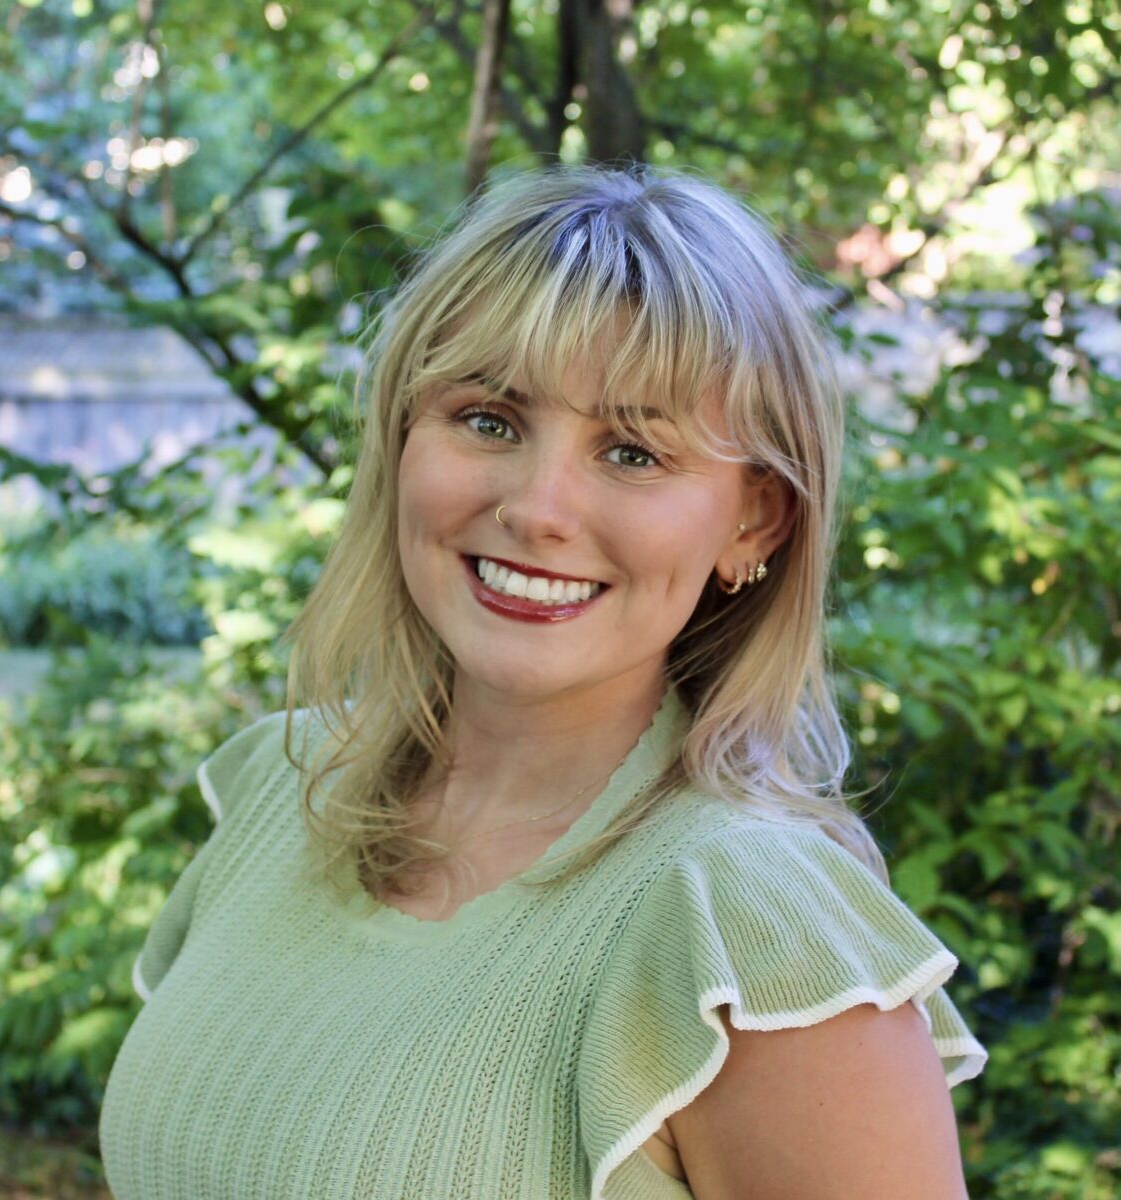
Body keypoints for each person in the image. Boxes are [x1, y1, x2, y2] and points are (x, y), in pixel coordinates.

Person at [99, 165, 986, 1199]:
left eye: (632, 451)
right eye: (488, 420)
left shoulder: (750, 934)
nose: (536, 509)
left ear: (754, 520)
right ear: (400, 437)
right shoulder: (286, 784)